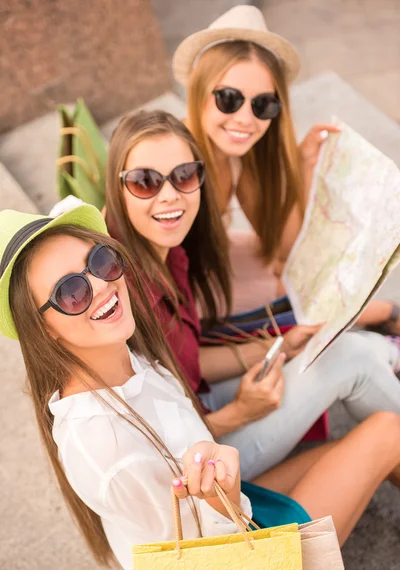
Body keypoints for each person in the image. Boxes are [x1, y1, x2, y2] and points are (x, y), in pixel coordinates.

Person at [2, 205, 400, 570]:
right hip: (245, 563)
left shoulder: (125, 358)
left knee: (358, 442)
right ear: (44, 330)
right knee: (387, 431)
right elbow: (202, 564)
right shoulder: (104, 446)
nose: (102, 286)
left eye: (100, 261)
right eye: (71, 293)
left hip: (237, 508)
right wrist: (220, 496)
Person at [102, 108, 400, 482]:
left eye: (184, 175)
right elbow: (149, 448)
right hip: (199, 465)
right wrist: (239, 413)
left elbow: (187, 363)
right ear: (117, 188)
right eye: (145, 181)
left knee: (354, 352)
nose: (170, 196)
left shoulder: (168, 250)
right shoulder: (116, 296)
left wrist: (278, 347)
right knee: (353, 360)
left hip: (200, 405)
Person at [173, 4, 400, 331]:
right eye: (228, 98)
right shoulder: (173, 159)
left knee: (294, 272)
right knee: (297, 292)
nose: (246, 119)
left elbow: (284, 246)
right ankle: (386, 314)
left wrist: (303, 167)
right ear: (198, 92)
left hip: (206, 262)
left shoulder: (239, 157)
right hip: (178, 291)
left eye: (263, 104)